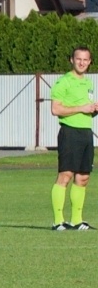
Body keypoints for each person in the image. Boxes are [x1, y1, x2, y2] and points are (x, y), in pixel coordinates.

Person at [49, 45, 98, 231]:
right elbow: (56, 109)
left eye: (86, 59)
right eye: (79, 59)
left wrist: (93, 110)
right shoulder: (63, 82)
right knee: (66, 175)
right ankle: (58, 221)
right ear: (72, 60)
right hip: (70, 133)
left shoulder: (88, 83)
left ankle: (77, 221)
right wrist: (81, 108)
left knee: (83, 177)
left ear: (90, 62)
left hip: (86, 133)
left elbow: (85, 110)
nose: (82, 62)